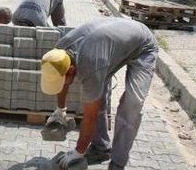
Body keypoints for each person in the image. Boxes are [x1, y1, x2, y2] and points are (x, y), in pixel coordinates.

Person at [40, 19, 159, 170]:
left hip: (143, 47)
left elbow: (90, 117)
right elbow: (63, 82)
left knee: (132, 105)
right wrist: (60, 110)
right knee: (97, 94)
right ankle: (100, 148)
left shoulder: (90, 66)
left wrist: (78, 152)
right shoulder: (58, 53)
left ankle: (118, 162)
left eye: (63, 80)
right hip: (112, 46)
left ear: (70, 70)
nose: (62, 83)